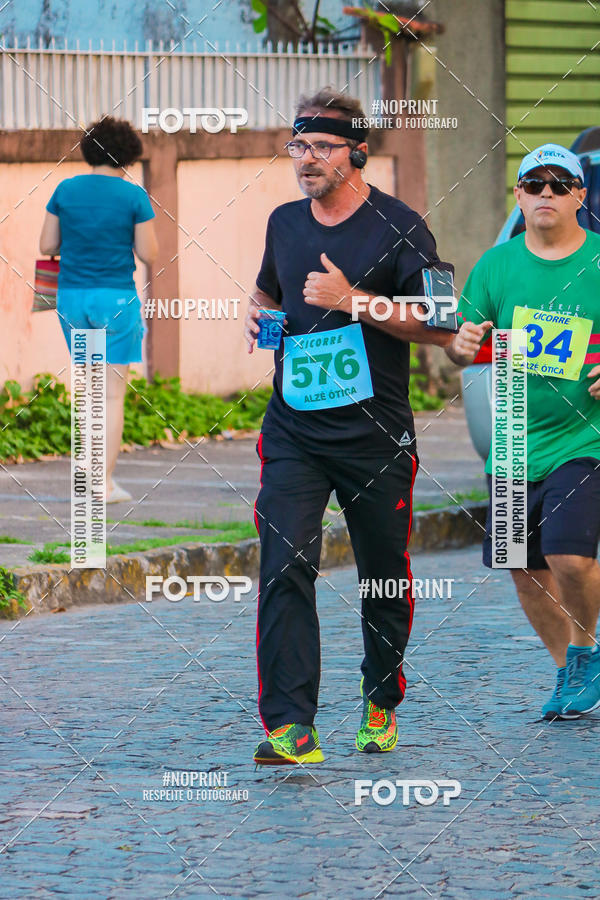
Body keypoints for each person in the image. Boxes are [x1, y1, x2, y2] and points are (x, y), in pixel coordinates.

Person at [244, 88, 456, 764]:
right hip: (294, 431)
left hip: (376, 436)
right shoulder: (284, 222)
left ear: (356, 152)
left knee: (382, 577)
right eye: (297, 145)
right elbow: (268, 291)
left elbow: (442, 324)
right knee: (284, 564)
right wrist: (258, 316)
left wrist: (355, 301)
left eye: (320, 147)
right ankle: (290, 727)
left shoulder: (402, 227)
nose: (304, 159)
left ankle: (380, 697)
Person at [446, 143, 600, 721]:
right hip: (512, 434)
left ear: (580, 196)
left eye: (560, 184)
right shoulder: (497, 264)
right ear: (519, 195)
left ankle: (587, 651)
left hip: (583, 436)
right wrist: (460, 346)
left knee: (568, 553)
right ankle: (571, 670)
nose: (546, 194)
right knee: (522, 564)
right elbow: (464, 340)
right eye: (534, 184)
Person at [39, 116, 158, 503]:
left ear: (89, 150)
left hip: (72, 300)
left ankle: (84, 478)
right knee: (110, 396)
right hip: (115, 303)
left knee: (88, 390)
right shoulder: (133, 196)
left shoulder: (66, 189)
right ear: (129, 155)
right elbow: (148, 253)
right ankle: (101, 484)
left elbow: (46, 244)